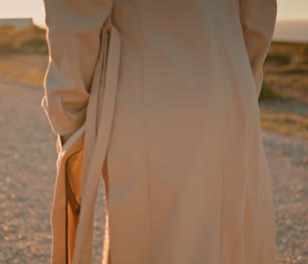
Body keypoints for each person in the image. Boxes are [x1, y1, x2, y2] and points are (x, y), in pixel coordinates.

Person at [41, 0, 278, 263]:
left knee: (157, 246)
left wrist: (68, 112)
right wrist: (240, 88)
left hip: (147, 90)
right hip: (230, 86)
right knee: (230, 242)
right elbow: (258, 20)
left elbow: (77, 16)